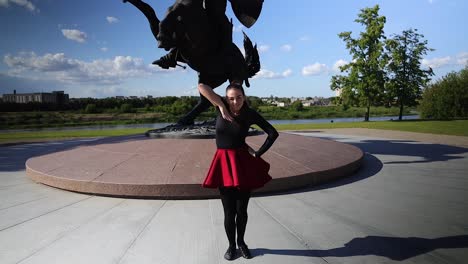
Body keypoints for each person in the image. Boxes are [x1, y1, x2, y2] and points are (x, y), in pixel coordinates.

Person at [200, 82, 279, 260]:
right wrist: (221, 106)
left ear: (244, 97)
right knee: (229, 211)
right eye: (231, 99)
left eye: (239, 98)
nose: (235, 102)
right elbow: (202, 86)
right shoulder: (220, 106)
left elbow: (273, 133)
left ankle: (242, 243)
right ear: (225, 98)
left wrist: (258, 153)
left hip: (243, 164)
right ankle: (231, 246)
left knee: (241, 210)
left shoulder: (249, 114)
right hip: (223, 165)